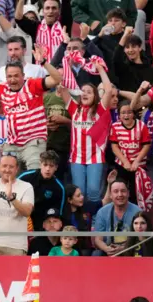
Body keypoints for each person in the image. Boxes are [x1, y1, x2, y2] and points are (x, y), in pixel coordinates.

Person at [0, 47, 62, 170]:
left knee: (33, 174)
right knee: (6, 175)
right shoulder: (2, 88)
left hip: (33, 142)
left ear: (23, 75)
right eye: (9, 76)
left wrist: (44, 62)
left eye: (16, 76)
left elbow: (57, 79)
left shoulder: (32, 85)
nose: (12, 80)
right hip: (12, 144)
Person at [60, 61, 112, 206]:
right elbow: (63, 88)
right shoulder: (74, 108)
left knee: (94, 192)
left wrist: (101, 68)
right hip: (76, 159)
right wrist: (67, 66)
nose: (85, 93)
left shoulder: (100, 109)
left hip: (95, 158)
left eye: (89, 92)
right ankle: (81, 222)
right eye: (82, 91)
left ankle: (94, 223)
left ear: (95, 96)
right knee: (79, 193)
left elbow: (108, 91)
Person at [0, 155, 34, 255]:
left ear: (17, 169)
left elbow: (27, 212)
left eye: (11, 167)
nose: (7, 170)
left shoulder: (27, 186)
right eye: (4, 166)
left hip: (15, 245)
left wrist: (12, 198)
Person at [110, 101, 151, 208]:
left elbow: (146, 145)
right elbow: (114, 147)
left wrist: (137, 161)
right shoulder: (115, 126)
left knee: (135, 193)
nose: (126, 115)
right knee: (120, 190)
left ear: (133, 113)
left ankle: (136, 216)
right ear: (119, 115)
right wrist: (125, 162)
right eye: (123, 113)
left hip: (138, 165)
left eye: (129, 112)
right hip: (122, 164)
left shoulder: (141, 126)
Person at [93, 179, 141, 256]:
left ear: (128, 193)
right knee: (96, 254)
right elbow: (98, 239)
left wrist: (123, 248)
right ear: (110, 195)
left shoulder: (137, 212)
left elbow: (140, 238)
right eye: (116, 191)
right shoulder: (102, 212)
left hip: (130, 250)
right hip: (109, 250)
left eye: (123, 191)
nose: (120, 194)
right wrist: (107, 249)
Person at [18, 150, 65, 229]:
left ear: (56, 167)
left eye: (51, 166)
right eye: (45, 165)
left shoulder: (59, 188)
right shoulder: (25, 177)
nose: (47, 169)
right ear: (40, 165)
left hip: (42, 222)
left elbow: (57, 214)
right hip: (21, 216)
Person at [113, 27, 153, 94]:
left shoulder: (152, 70)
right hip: (127, 102)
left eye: (133, 46)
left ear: (140, 48)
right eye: (127, 47)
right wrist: (125, 35)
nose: (130, 50)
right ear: (124, 50)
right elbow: (116, 58)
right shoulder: (124, 67)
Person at [62, 184, 93, 255]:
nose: (82, 197)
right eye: (78, 196)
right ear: (69, 200)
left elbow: (104, 201)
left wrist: (110, 183)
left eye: (81, 194)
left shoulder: (86, 207)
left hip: (84, 248)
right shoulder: (62, 215)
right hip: (68, 249)